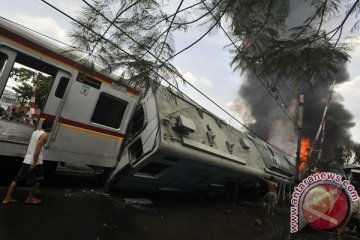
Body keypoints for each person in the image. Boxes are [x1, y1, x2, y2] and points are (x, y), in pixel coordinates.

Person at [2, 119, 54, 204]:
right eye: (51, 127)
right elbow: (37, 150)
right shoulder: (44, 135)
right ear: (48, 127)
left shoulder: (35, 132)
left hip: (27, 159)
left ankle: (7, 198)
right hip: (36, 161)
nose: (52, 128)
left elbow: (29, 145)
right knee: (38, 180)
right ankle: (29, 198)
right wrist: (33, 163)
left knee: (17, 179)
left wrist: (27, 156)